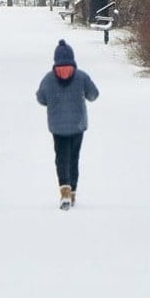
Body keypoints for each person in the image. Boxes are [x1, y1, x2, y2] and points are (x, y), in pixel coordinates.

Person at [35, 39, 100, 210]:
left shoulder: (48, 79)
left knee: (61, 158)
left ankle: (64, 190)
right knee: (73, 158)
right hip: (77, 125)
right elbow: (94, 94)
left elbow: (41, 99)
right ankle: (73, 193)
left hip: (57, 127)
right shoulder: (81, 77)